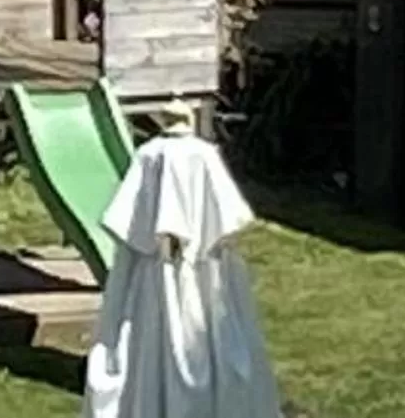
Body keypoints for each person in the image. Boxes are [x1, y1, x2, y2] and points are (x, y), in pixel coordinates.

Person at [83, 103, 283, 418]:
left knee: (158, 337)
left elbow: (137, 220)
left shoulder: (154, 154)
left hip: (187, 265)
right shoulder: (190, 154)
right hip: (191, 263)